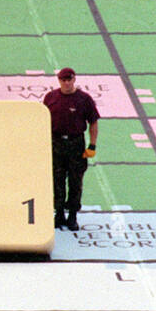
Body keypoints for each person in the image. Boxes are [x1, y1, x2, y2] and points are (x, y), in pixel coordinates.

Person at [43, 68, 99, 231]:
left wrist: (92, 145)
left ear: (74, 79)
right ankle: (59, 213)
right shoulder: (51, 98)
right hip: (56, 142)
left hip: (76, 143)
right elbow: (42, 119)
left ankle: (73, 215)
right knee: (57, 180)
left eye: (69, 79)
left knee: (75, 181)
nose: (66, 83)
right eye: (63, 80)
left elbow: (93, 122)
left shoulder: (84, 99)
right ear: (59, 80)